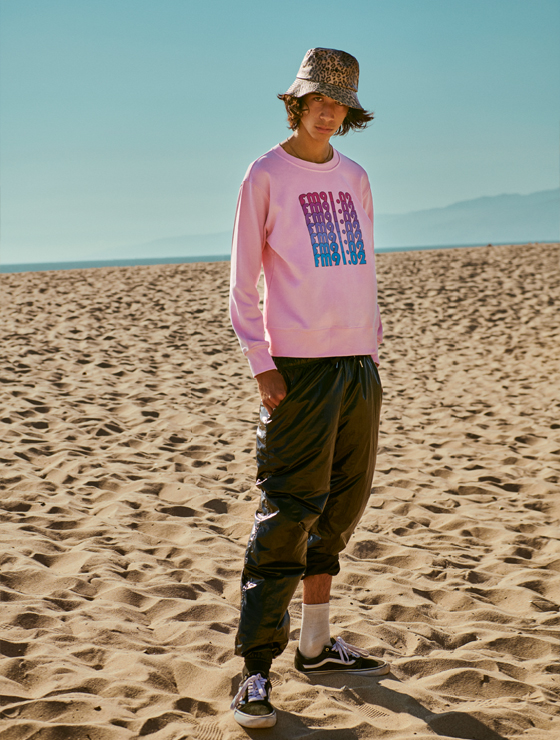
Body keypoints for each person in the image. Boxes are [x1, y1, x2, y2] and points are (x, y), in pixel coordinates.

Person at [228, 47, 388, 729]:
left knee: (341, 508)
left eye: (339, 102)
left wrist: (370, 352)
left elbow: (364, 267)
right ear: (296, 103)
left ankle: (317, 646)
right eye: (318, 99)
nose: (328, 111)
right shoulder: (265, 173)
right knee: (288, 512)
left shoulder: (355, 177)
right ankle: (254, 671)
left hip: (357, 366)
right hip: (296, 367)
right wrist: (260, 360)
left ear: (349, 112)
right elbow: (242, 280)